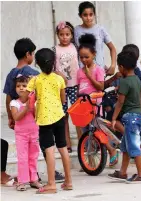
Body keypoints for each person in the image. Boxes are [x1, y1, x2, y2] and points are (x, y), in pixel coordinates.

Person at [3, 38, 65, 183]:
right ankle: (49, 172)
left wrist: (11, 117)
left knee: (23, 150)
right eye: (33, 54)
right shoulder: (33, 73)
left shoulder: (11, 73)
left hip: (18, 114)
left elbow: (8, 97)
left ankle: (28, 175)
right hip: (33, 115)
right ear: (28, 54)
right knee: (41, 145)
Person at [27, 48, 73, 194]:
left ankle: (51, 184)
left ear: (37, 64)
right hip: (59, 116)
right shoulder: (59, 79)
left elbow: (27, 98)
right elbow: (63, 99)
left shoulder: (35, 80)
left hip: (45, 119)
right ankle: (69, 181)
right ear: (54, 63)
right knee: (63, 148)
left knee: (49, 150)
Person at [77, 33, 118, 167]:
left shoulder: (98, 70)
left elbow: (100, 87)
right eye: (81, 57)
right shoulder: (79, 71)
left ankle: (112, 151)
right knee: (85, 131)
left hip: (94, 104)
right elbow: (80, 88)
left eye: (87, 57)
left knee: (97, 129)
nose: (84, 60)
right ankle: (89, 160)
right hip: (83, 104)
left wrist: (90, 76)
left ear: (94, 54)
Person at [108, 51, 141, 183]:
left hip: (130, 118)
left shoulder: (124, 82)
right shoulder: (137, 78)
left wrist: (114, 118)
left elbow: (120, 102)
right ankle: (123, 172)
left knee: (134, 146)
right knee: (125, 146)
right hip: (138, 116)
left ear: (122, 67)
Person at [53, 21, 81, 152]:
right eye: (62, 34)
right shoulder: (55, 49)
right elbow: (52, 69)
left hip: (75, 85)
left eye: (67, 34)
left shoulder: (75, 47)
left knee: (77, 113)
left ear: (71, 35)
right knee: (64, 115)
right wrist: (58, 74)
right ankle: (67, 143)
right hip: (61, 87)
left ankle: (82, 142)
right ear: (58, 35)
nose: (64, 37)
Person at [10, 75, 42, 191]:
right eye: (18, 86)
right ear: (15, 89)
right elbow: (16, 117)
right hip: (21, 135)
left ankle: (34, 179)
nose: (22, 88)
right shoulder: (14, 103)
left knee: (33, 156)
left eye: (24, 86)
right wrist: (26, 108)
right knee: (23, 158)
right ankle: (22, 181)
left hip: (34, 133)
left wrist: (34, 104)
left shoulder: (33, 102)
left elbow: (36, 116)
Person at [74, 1, 116, 75]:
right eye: (85, 15)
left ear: (94, 14)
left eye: (91, 14)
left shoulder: (100, 29)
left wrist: (113, 65)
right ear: (80, 15)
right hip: (82, 71)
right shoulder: (76, 30)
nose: (88, 18)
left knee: (99, 87)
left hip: (99, 70)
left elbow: (112, 48)